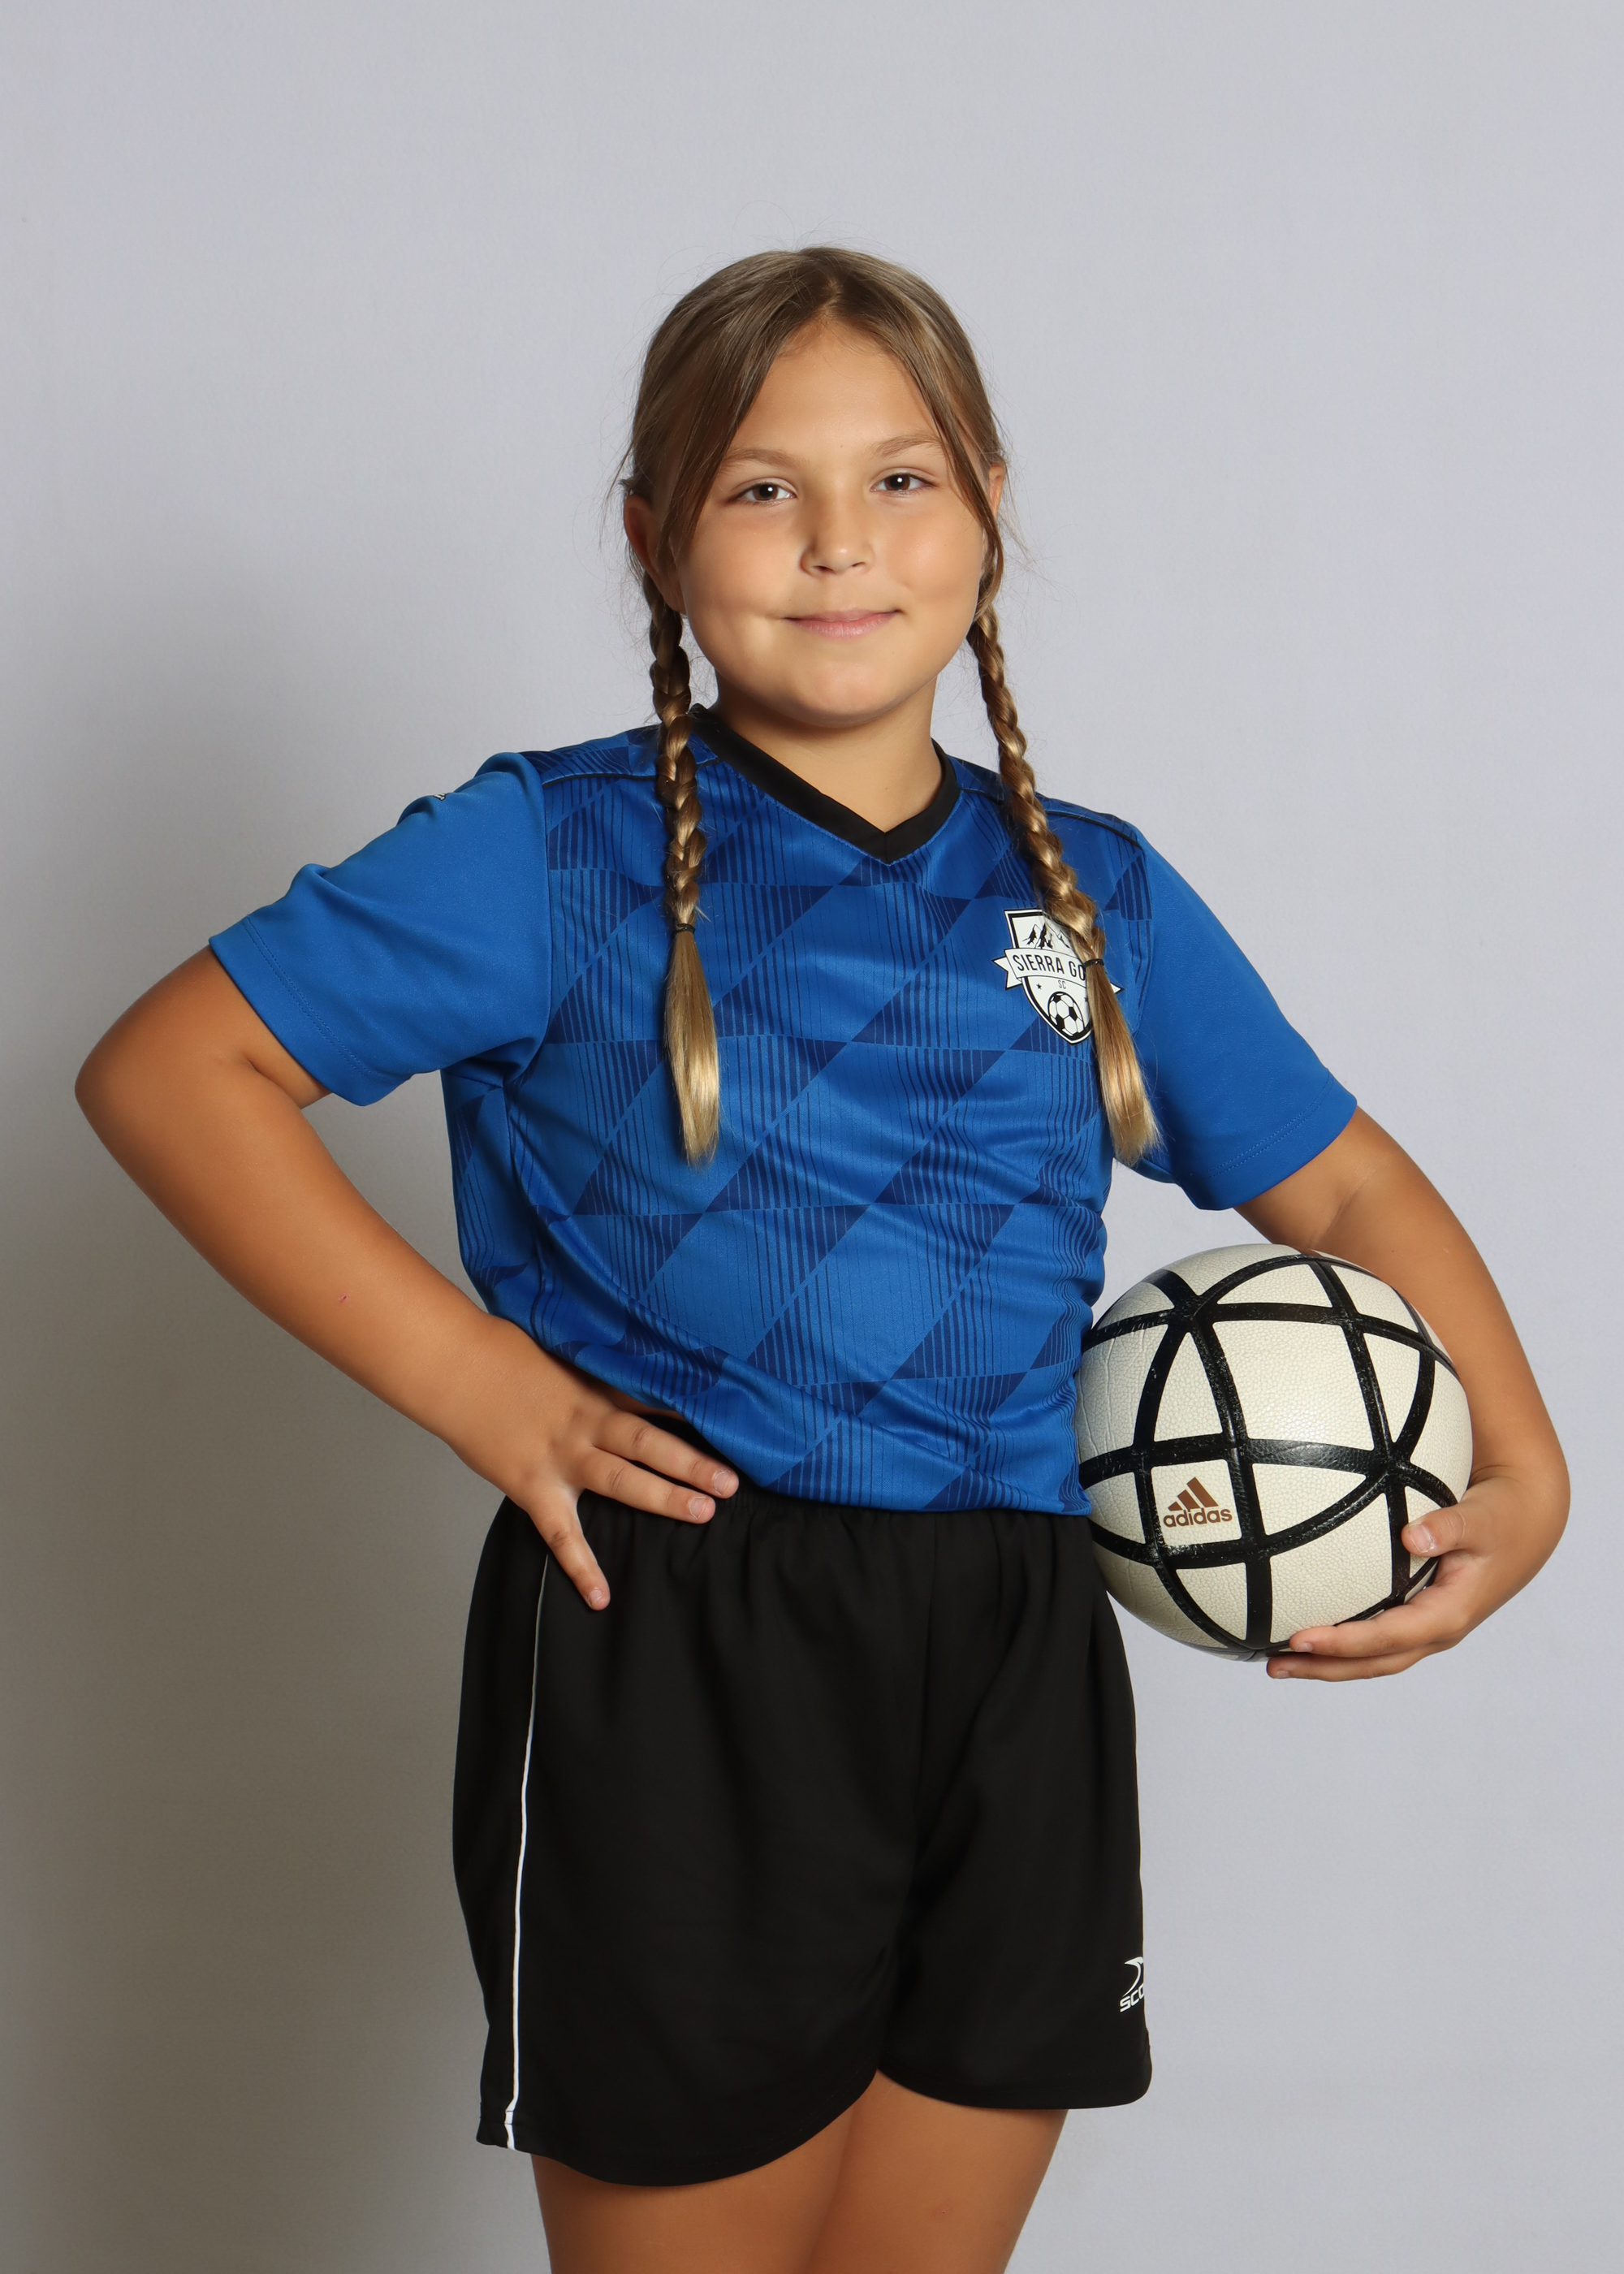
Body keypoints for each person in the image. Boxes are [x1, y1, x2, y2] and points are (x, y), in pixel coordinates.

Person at [76, 248, 1568, 2274]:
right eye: (761, 486)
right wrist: (474, 1381)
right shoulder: (551, 852)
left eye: (902, 479)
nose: (839, 540)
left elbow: (1349, 1189)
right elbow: (175, 1070)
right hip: (683, 1630)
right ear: (651, 534)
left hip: (1020, 1640)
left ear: (988, 511)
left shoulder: (1090, 893)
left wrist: (1524, 1468)